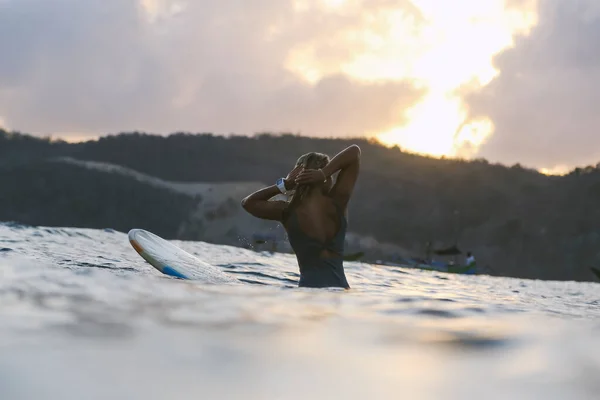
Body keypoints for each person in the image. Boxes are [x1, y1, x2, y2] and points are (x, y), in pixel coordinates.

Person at [241, 145, 361, 289]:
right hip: (340, 292)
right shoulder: (338, 203)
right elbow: (354, 152)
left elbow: (248, 203)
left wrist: (284, 185)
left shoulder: (288, 211)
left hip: (308, 292)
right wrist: (324, 173)